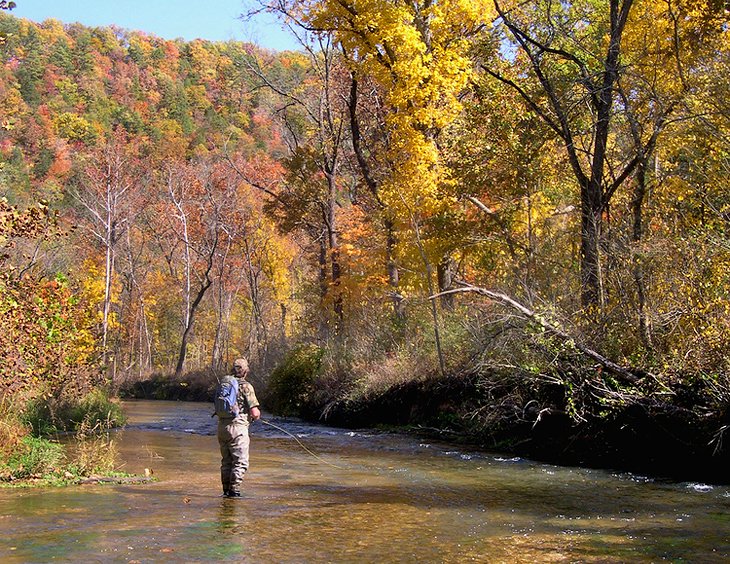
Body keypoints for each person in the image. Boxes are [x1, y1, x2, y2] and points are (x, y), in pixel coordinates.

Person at [216, 357, 260, 498]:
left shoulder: (224, 384)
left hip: (222, 427)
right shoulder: (246, 386)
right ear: (246, 370)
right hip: (238, 427)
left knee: (227, 461)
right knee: (240, 462)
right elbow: (254, 412)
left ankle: (225, 492)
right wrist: (256, 415)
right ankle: (234, 492)